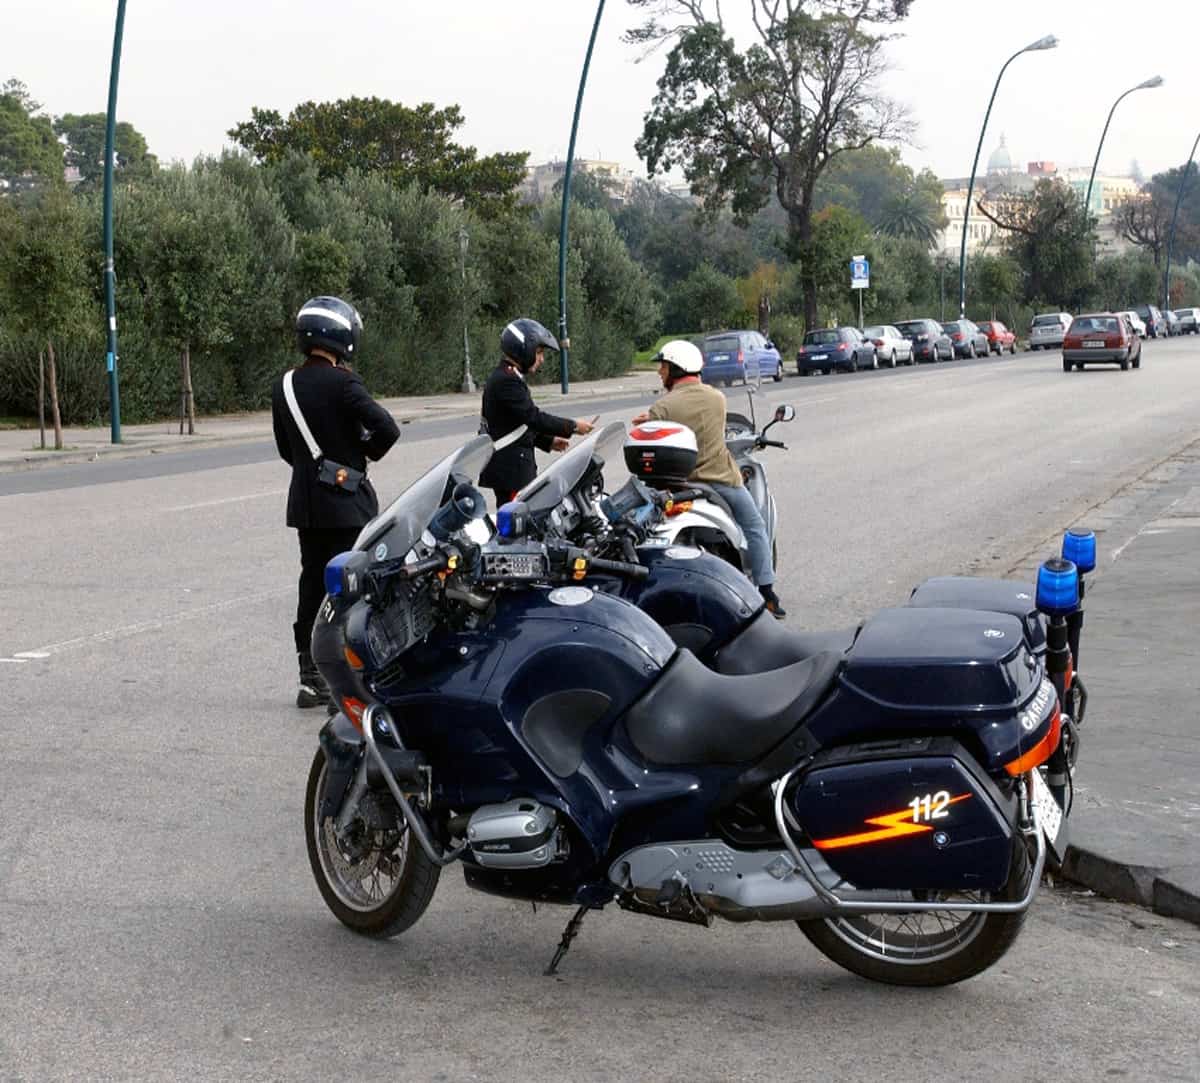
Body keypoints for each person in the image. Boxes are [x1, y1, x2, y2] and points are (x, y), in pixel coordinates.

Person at [272, 296, 400, 708]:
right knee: (353, 588)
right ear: (340, 337)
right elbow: (387, 429)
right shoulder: (345, 382)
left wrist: (314, 470)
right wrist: (361, 452)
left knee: (312, 584)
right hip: (347, 503)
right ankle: (347, 677)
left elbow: (285, 450)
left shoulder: (285, 385)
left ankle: (310, 678)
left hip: (307, 505)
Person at [632, 339, 786, 618]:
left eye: (663, 367)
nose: (659, 373)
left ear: (676, 368)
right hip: (722, 482)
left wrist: (651, 420)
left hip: (679, 484)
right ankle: (767, 592)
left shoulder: (662, 407)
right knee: (755, 527)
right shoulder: (718, 399)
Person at [478, 318, 595, 506]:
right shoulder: (506, 380)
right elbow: (533, 417)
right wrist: (572, 426)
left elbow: (518, 424)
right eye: (539, 352)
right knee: (516, 523)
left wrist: (548, 441)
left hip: (512, 468)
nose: (541, 359)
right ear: (523, 349)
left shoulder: (507, 376)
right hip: (511, 471)